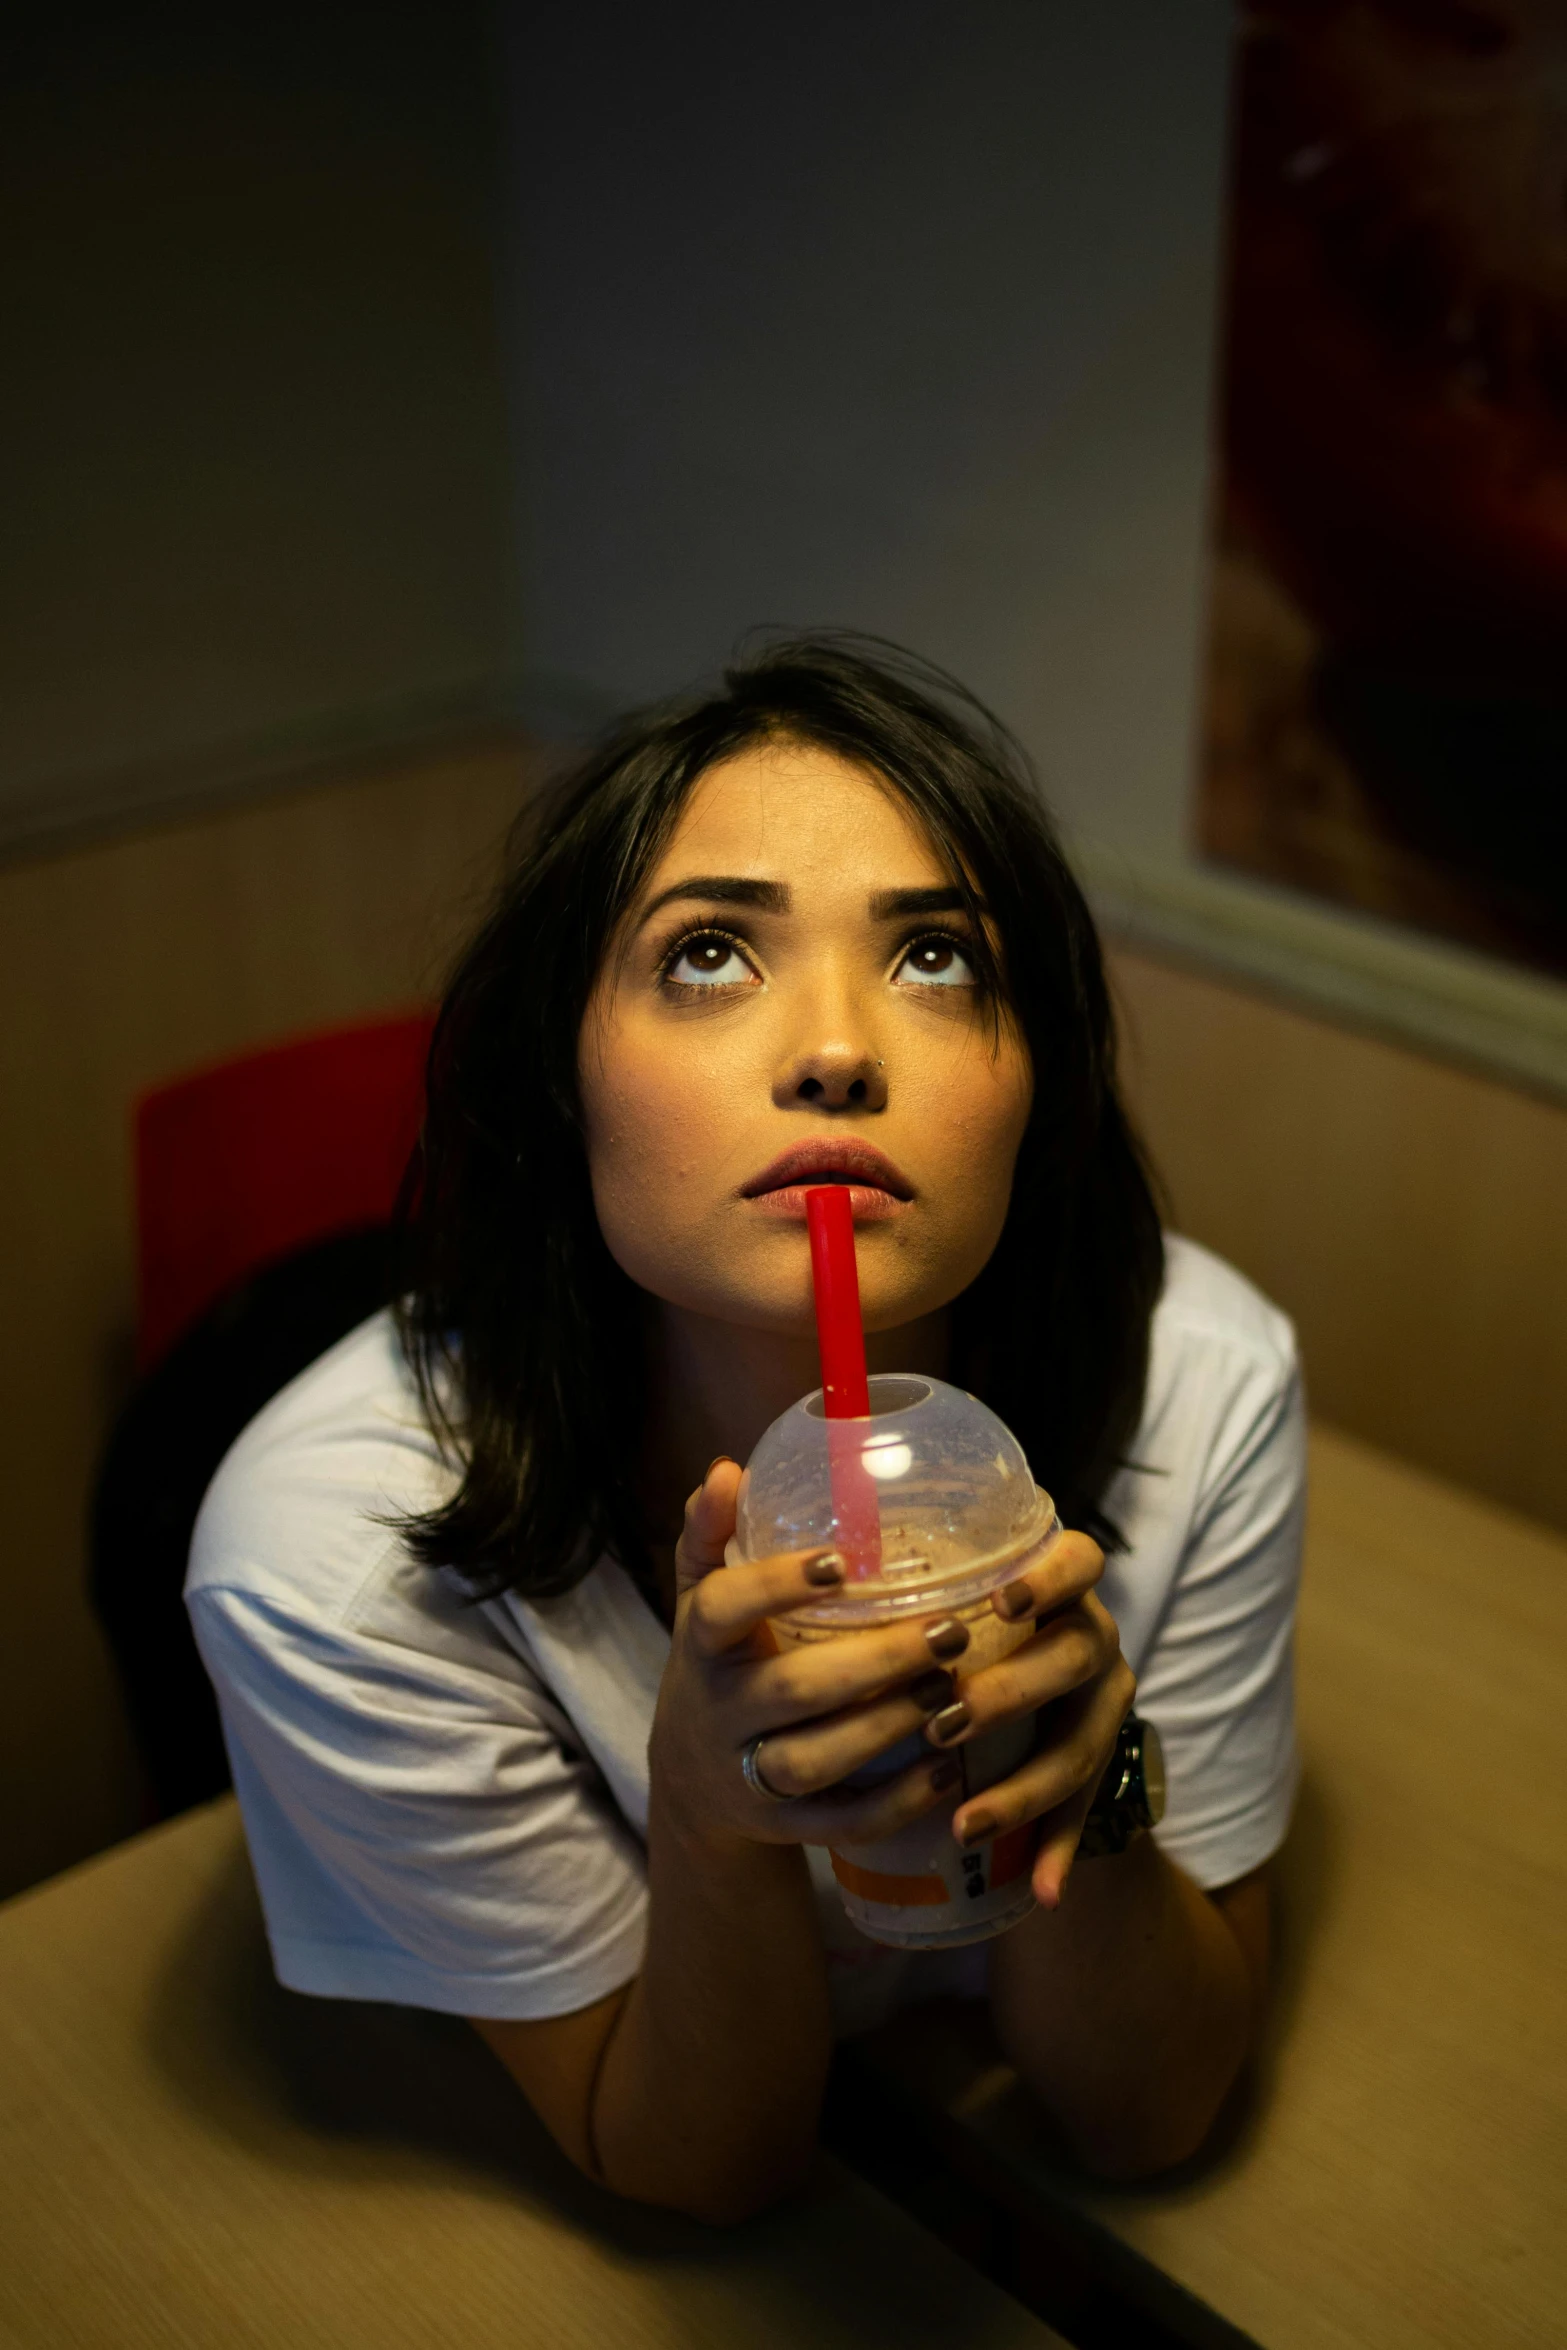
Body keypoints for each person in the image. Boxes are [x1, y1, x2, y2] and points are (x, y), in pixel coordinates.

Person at [187, 636, 1302, 2225]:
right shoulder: (327, 1561)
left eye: (936, 958)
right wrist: (713, 1819)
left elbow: (1145, 2115)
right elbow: (697, 2172)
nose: (838, 1048)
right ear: (559, 1076)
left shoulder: (1201, 1388)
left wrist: (1086, 1771)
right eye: (708, 952)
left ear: (1036, 1082)